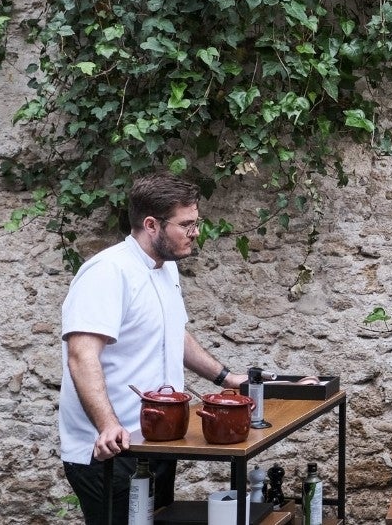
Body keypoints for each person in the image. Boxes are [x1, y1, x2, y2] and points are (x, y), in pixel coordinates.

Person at [59, 172, 249, 525]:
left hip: (157, 443)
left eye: (196, 223)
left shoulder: (166, 270)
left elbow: (172, 334)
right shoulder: (107, 272)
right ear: (151, 224)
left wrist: (225, 377)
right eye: (186, 225)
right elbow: (81, 355)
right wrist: (108, 425)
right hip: (112, 449)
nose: (195, 233)